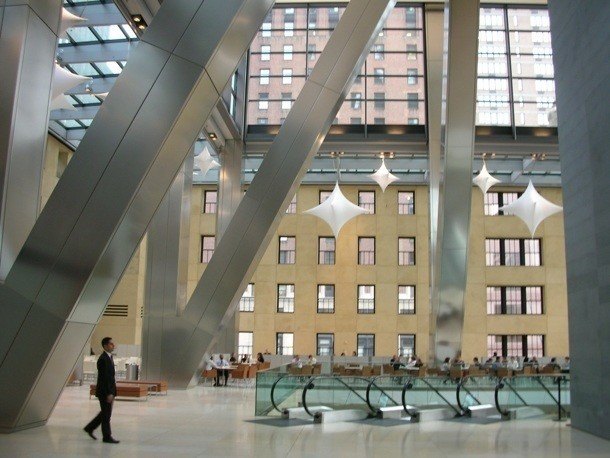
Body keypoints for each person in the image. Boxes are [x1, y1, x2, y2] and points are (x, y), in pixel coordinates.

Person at [84, 337, 120, 444]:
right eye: (111, 344)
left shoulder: (109, 357)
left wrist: (113, 392)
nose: (113, 345)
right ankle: (107, 436)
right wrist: (109, 393)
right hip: (105, 392)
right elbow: (105, 378)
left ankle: (89, 428)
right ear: (105, 346)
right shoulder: (103, 359)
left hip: (109, 391)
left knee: (105, 413)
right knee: (106, 415)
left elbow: (110, 377)